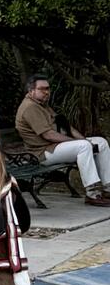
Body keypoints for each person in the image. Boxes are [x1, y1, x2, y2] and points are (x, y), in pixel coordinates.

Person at [15, 74, 110, 206]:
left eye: (48, 88)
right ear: (31, 91)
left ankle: (108, 188)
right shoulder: (30, 107)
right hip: (42, 153)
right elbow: (48, 135)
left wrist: (86, 141)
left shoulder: (42, 105)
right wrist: (79, 142)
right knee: (83, 146)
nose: (47, 92)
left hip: (55, 147)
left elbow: (67, 127)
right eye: (42, 89)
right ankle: (92, 194)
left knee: (101, 142)